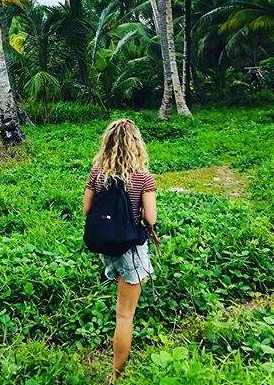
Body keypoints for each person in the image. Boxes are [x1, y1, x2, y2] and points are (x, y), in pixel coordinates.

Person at [83, 118, 157, 381]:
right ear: (136, 144)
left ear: (108, 143)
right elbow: (151, 219)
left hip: (106, 246)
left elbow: (87, 209)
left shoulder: (97, 173)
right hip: (131, 249)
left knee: (121, 307)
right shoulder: (143, 177)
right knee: (125, 315)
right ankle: (117, 376)